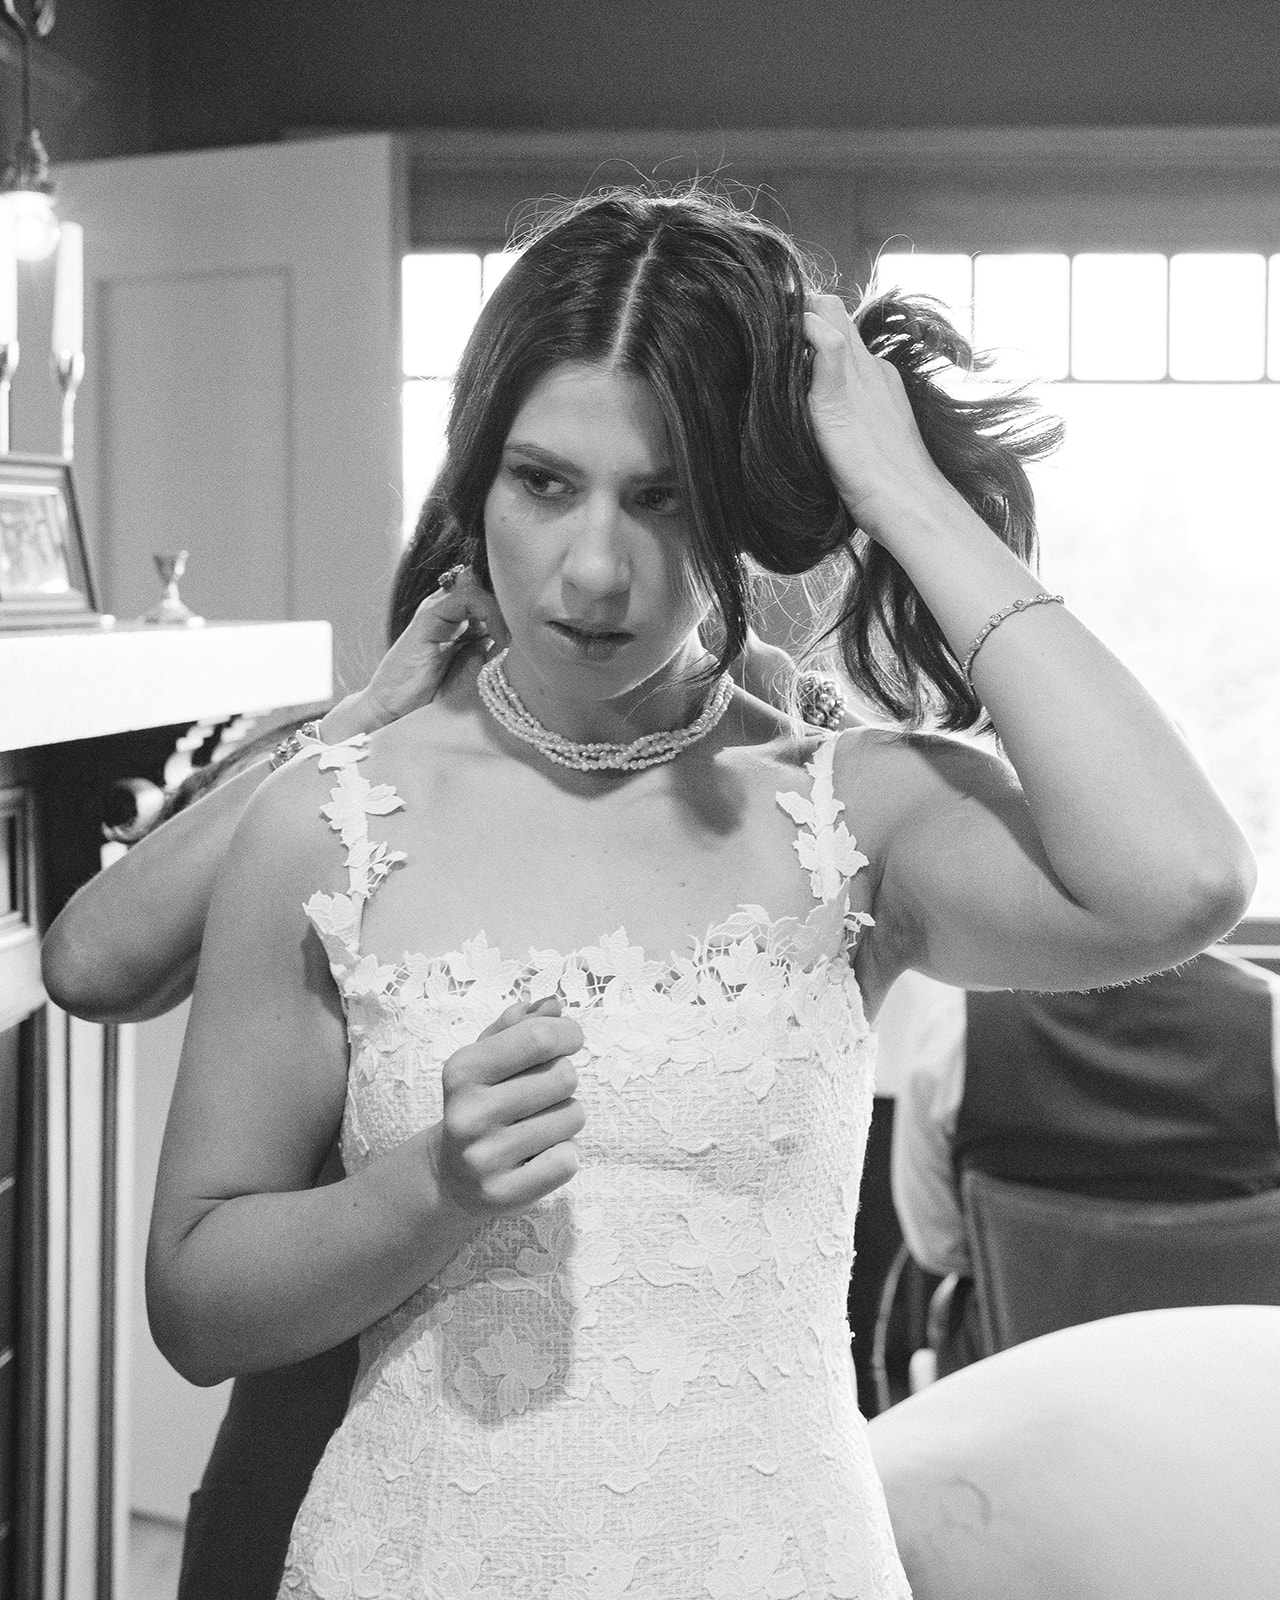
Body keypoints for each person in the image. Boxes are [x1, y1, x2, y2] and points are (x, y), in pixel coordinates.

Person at [139, 183, 1252, 1596]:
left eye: (660, 498)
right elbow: (193, 1299)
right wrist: (427, 1192)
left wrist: (898, 486)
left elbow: (1185, 879)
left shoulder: (848, 814)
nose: (594, 568)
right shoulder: (329, 821)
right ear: (475, 478)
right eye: (544, 482)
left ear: (732, 509)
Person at [42, 543, 826, 1600]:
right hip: (323, 1395)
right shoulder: (342, 783)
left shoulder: (770, 749)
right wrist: (356, 726)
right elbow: (89, 960)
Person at [890, 954, 1280, 1369]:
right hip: (1231, 1389)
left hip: (1023, 1392)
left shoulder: (953, 1028)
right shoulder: (1270, 1015)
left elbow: (938, 1247)